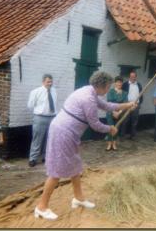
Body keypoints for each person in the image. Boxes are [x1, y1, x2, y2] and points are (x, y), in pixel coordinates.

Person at [34, 71, 136, 220]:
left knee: (76, 166)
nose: (108, 89)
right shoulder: (88, 98)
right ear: (102, 86)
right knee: (56, 171)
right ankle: (41, 207)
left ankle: (78, 198)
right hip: (63, 132)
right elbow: (95, 124)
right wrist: (110, 129)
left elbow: (107, 105)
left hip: (70, 133)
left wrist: (127, 105)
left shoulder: (90, 91)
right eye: (108, 87)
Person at [27, 74, 57, 167]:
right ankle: (33, 158)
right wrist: (38, 111)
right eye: (48, 82)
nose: (50, 83)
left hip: (52, 117)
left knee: (49, 139)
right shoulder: (36, 92)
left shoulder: (54, 91)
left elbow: (55, 103)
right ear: (43, 81)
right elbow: (30, 105)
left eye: (51, 81)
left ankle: (46, 157)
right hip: (40, 117)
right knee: (37, 139)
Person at [105, 76, 128, 151]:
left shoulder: (125, 93)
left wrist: (119, 113)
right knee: (111, 127)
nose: (119, 84)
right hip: (110, 112)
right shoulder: (110, 91)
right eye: (117, 82)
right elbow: (109, 102)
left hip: (119, 113)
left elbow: (125, 104)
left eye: (120, 82)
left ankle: (114, 144)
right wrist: (114, 112)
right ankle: (109, 144)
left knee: (116, 128)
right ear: (115, 83)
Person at [122, 70, 143, 140]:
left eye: (134, 76)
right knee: (125, 121)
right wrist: (124, 104)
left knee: (134, 121)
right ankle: (123, 136)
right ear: (129, 77)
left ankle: (133, 136)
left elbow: (141, 95)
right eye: (131, 76)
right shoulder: (125, 84)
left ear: (136, 77)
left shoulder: (139, 85)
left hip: (136, 105)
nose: (132, 78)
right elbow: (122, 95)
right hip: (127, 105)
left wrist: (139, 104)